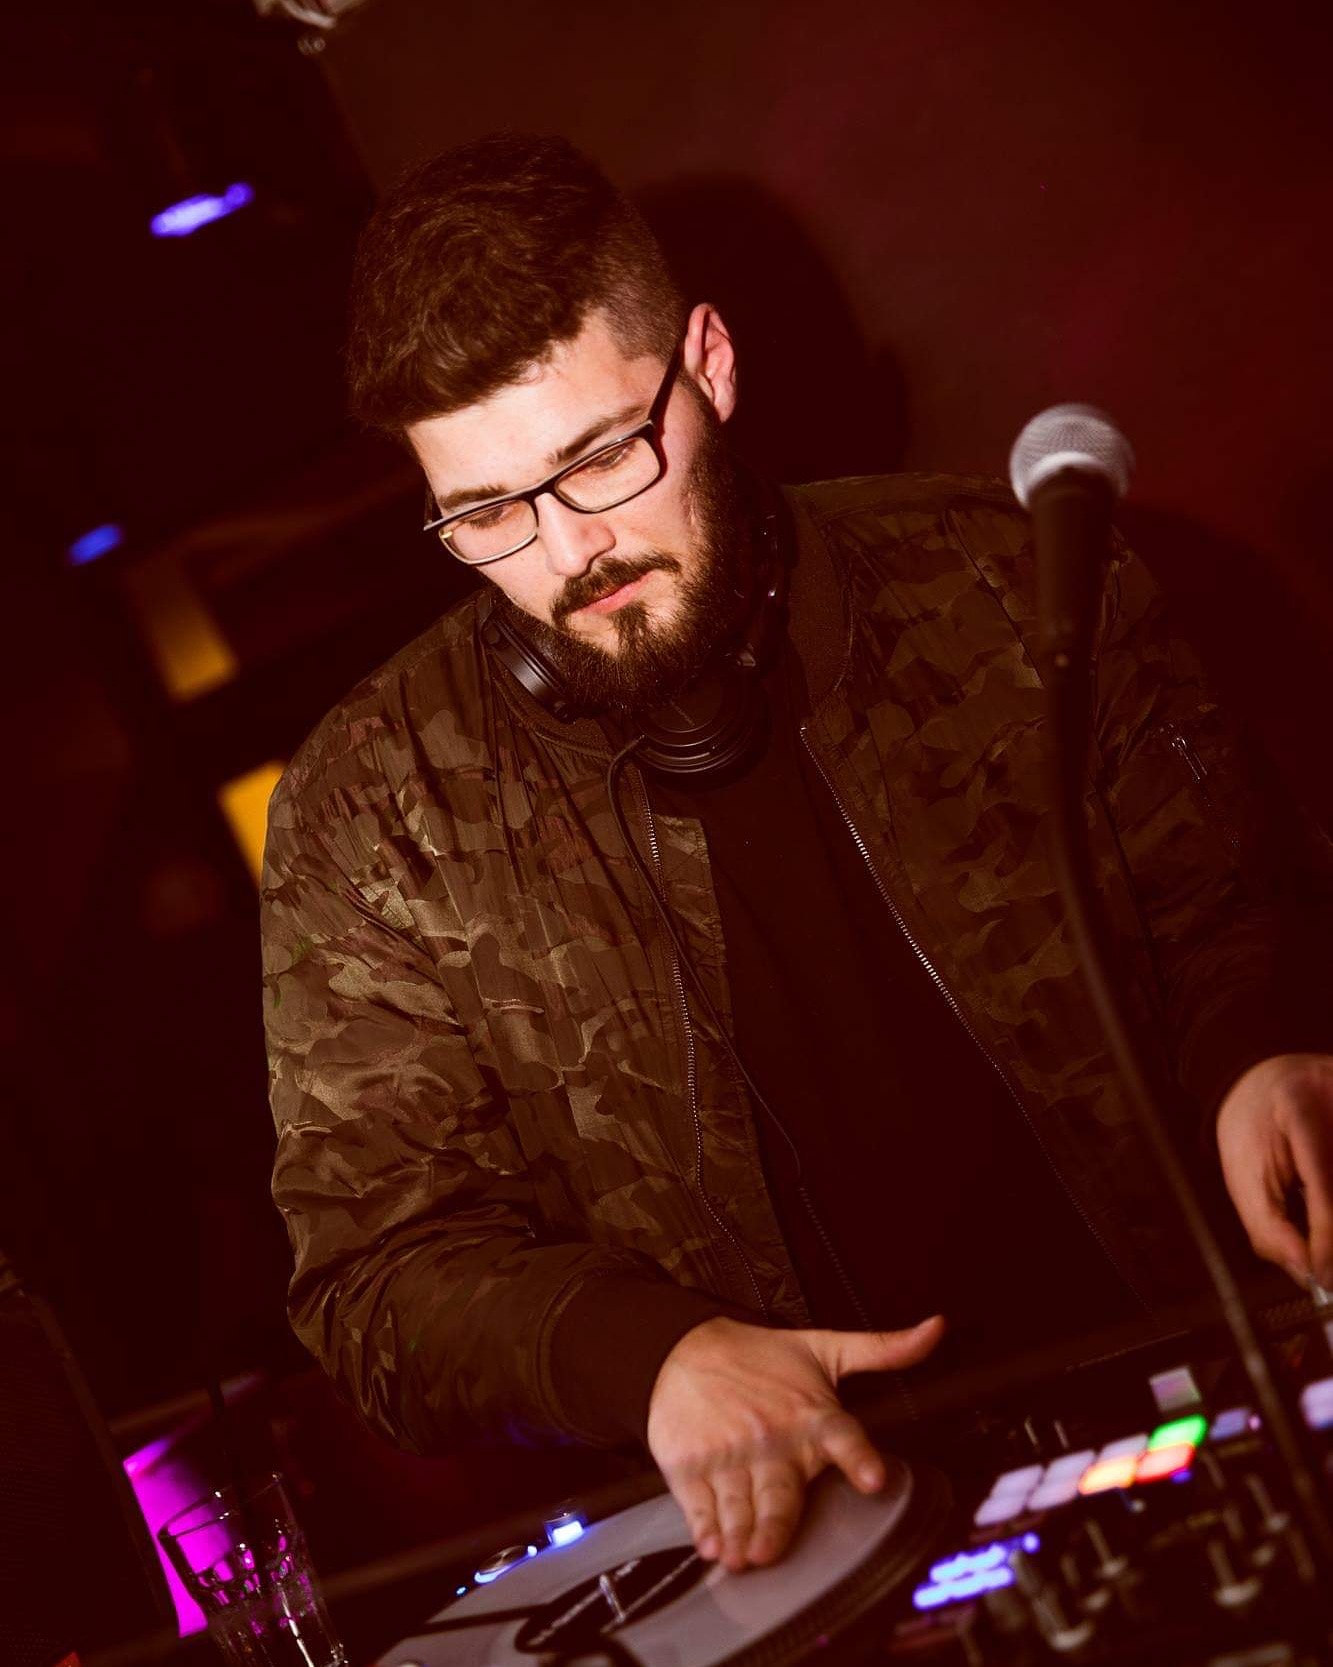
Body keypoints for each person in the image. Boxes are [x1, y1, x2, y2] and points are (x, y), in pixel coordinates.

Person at [261, 133, 1333, 1576]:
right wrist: (652, 1359)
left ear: (707, 365)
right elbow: (375, 1277)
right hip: (812, 1557)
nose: (568, 554)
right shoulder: (373, 806)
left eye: (600, 459)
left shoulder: (1000, 579)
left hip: (1216, 1397)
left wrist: (1264, 1053)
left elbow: (1233, 900)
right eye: (486, 512)